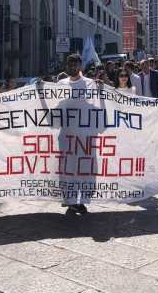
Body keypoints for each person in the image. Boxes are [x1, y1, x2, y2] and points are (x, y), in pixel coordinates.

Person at [58, 54, 94, 215]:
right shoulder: (60, 84)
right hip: (66, 135)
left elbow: (97, 105)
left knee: (84, 168)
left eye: (75, 65)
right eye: (70, 64)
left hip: (84, 135)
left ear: (81, 66)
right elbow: (54, 106)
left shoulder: (90, 84)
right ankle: (71, 200)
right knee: (67, 169)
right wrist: (40, 89)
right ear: (67, 66)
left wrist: (102, 87)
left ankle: (81, 200)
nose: (72, 67)